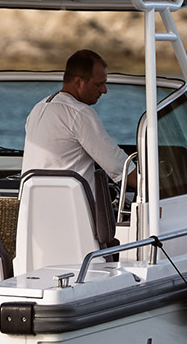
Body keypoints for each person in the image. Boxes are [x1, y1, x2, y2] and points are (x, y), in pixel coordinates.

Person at [21, 48, 126, 247]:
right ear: (78, 82)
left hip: (36, 216)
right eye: (99, 84)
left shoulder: (38, 108)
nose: (104, 91)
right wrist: (158, 188)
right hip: (74, 221)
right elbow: (118, 167)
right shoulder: (80, 113)